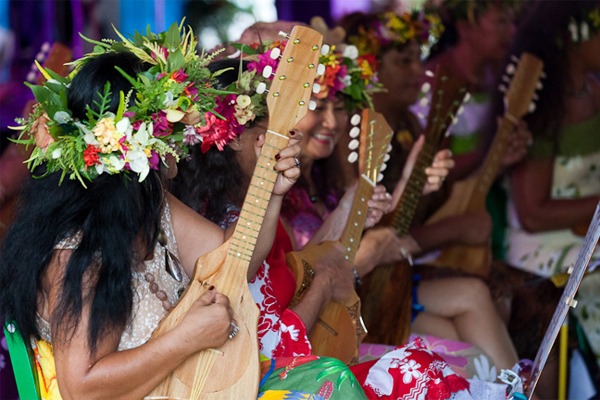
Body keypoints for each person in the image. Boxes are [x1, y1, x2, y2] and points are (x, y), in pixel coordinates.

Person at [0, 25, 342, 400]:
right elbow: (82, 388)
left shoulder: (153, 207)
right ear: (142, 144)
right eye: (175, 121)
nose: (188, 134)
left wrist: (271, 192)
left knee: (327, 379)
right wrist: (186, 339)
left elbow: (232, 261)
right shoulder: (79, 253)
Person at [173, 52, 482, 400]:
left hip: (308, 356)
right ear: (230, 139)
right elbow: (267, 345)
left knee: (436, 363)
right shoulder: (222, 223)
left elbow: (300, 268)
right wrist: (325, 284)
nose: (282, 143)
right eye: (270, 135)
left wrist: (351, 208)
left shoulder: (251, 209)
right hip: (272, 379)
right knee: (423, 369)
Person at [341, 11, 520, 374]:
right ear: (368, 69)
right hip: (364, 290)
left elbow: (408, 219)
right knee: (472, 354)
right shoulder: (352, 135)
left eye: (419, 60)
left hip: (395, 276)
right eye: (404, 61)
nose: (419, 72)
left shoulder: (409, 126)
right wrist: (447, 229)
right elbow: (369, 232)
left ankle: (515, 390)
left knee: (494, 299)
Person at [499, 2, 600, 397]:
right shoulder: (540, 105)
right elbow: (533, 212)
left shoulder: (594, 89)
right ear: (573, 34)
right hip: (546, 250)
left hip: (587, 236)